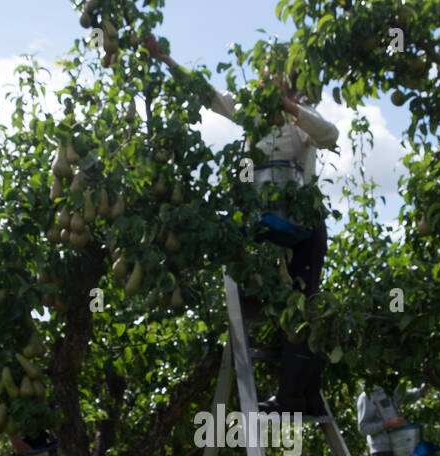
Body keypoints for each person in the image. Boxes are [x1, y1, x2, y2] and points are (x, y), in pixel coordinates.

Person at [143, 35, 338, 416]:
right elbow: (207, 94)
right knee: (272, 300)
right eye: (267, 73)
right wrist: (162, 56)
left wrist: (289, 107)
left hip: (302, 228)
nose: (267, 80)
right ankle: (302, 395)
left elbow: (330, 136)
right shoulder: (251, 113)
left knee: (304, 308)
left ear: (291, 82)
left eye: (277, 75)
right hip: (265, 225)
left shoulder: (301, 120)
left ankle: (298, 398)